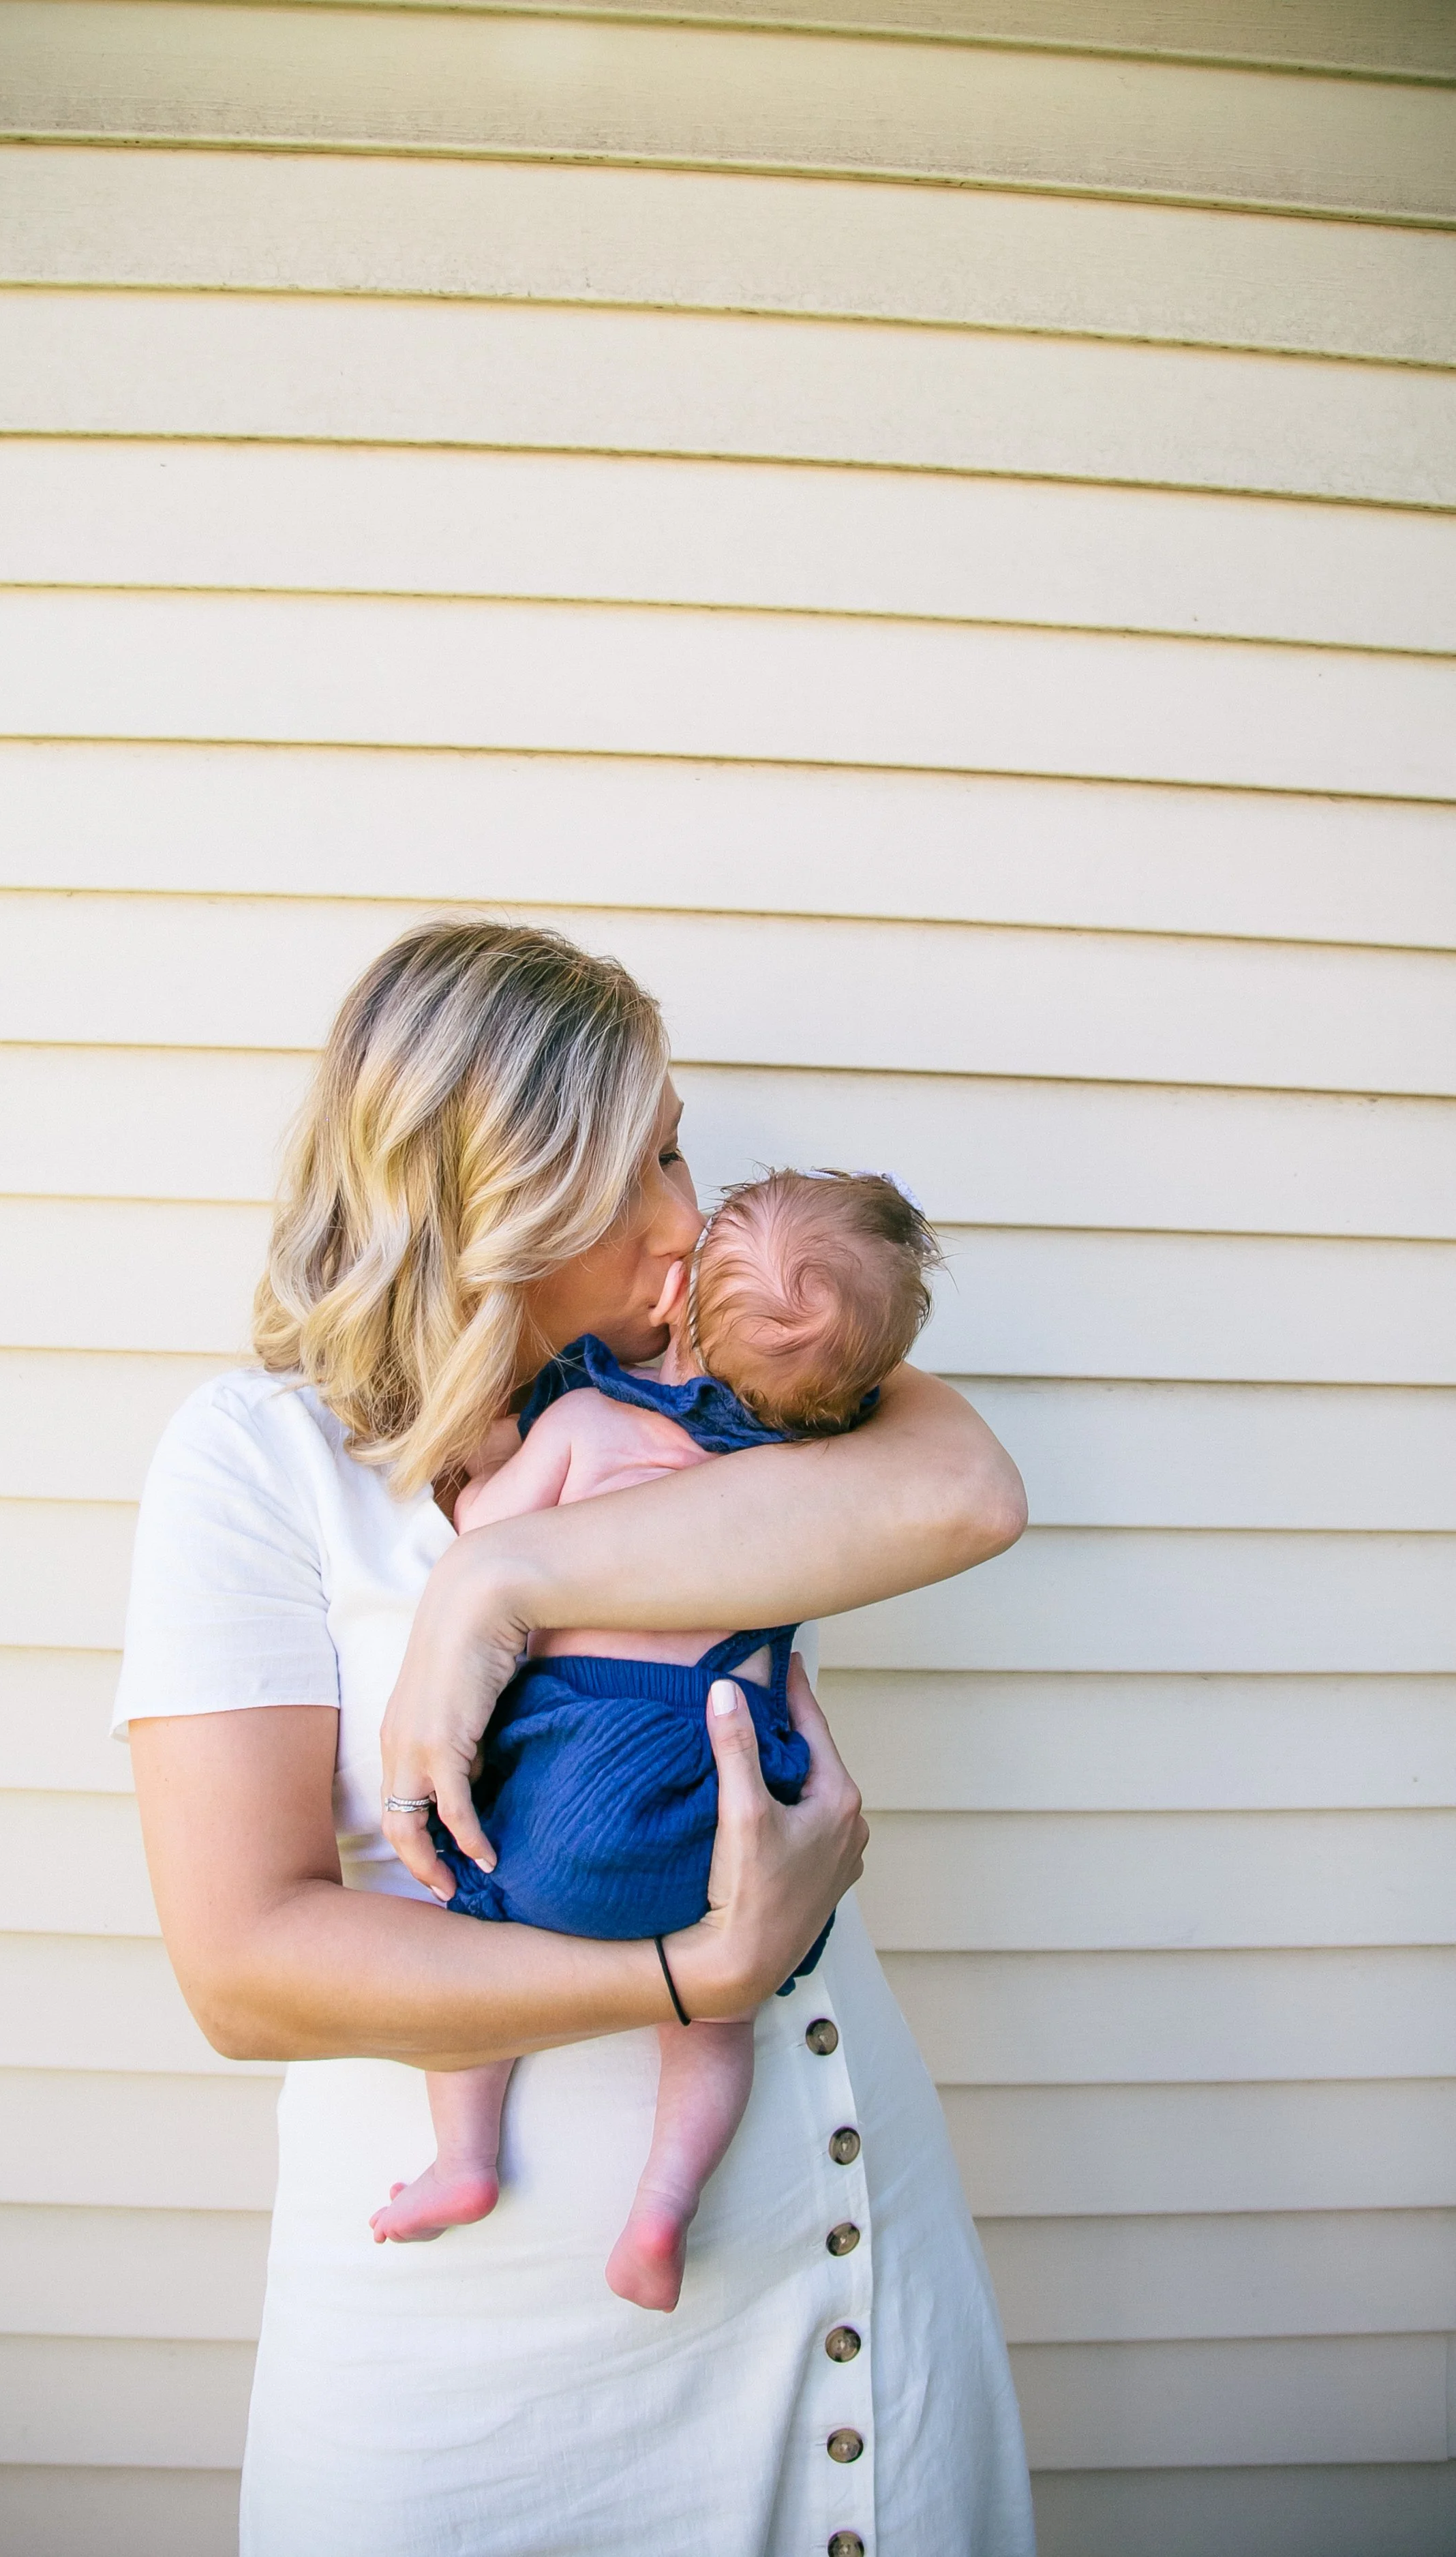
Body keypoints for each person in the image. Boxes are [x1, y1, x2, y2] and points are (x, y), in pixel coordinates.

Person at [117, 921, 1036, 2556]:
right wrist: (684, 1980)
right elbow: (242, 1971)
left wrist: (499, 1576)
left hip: (834, 2285)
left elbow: (967, 1494)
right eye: (642, 1167)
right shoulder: (259, 1462)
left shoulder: (721, 1387)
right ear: (493, 1190)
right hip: (481, 2390)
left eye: (679, 1149)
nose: (688, 1217)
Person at [371, 1169, 942, 2321]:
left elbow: (484, 1538)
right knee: (716, 2011)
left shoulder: (584, 1422)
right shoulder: (793, 1488)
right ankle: (663, 2207)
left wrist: (490, 1489)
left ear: (678, 1307)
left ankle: (466, 2158)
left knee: (473, 1960)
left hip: (573, 1789)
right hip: (722, 1801)